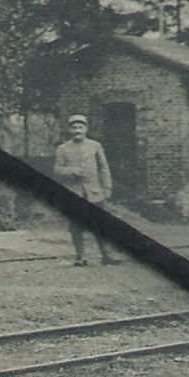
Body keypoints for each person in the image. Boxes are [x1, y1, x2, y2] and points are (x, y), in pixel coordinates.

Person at [53, 114, 121, 266]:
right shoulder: (63, 149)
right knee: (76, 225)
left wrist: (107, 188)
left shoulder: (95, 146)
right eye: (74, 127)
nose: (78, 130)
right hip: (74, 192)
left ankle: (106, 255)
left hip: (94, 192)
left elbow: (104, 169)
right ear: (69, 130)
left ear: (86, 129)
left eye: (81, 127)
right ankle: (80, 256)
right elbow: (57, 169)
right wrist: (72, 171)